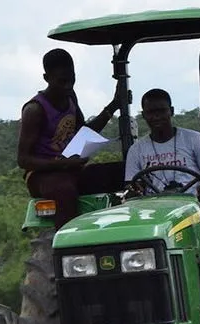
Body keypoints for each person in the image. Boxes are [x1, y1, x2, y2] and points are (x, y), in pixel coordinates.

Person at [124, 88, 200, 324]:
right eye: (150, 113)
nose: (156, 117)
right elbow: (131, 188)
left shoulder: (194, 140)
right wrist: (134, 192)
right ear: (144, 116)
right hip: (153, 215)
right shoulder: (137, 151)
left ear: (171, 112)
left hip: (193, 209)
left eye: (161, 111)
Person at [18, 48, 127, 229]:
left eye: (72, 80)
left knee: (123, 171)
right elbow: (23, 160)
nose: (68, 86)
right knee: (64, 190)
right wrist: (62, 164)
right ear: (47, 78)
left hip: (70, 169)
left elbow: (83, 132)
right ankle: (68, 246)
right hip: (42, 175)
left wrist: (114, 105)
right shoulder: (35, 109)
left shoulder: (70, 97)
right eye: (62, 81)